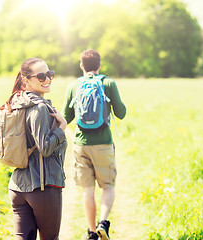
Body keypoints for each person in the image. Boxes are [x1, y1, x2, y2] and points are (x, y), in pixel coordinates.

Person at [62, 50, 126, 240]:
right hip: (103, 144)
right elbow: (121, 113)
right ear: (100, 65)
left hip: (81, 144)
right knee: (108, 186)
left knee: (87, 190)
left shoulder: (74, 85)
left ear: (81, 65)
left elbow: (66, 117)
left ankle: (91, 232)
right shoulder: (108, 83)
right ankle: (103, 223)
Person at [6, 58, 68, 240]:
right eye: (41, 76)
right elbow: (45, 147)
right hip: (43, 187)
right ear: (26, 80)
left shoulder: (16, 102)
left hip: (17, 187)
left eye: (49, 74)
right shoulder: (40, 107)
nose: (47, 79)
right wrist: (62, 127)